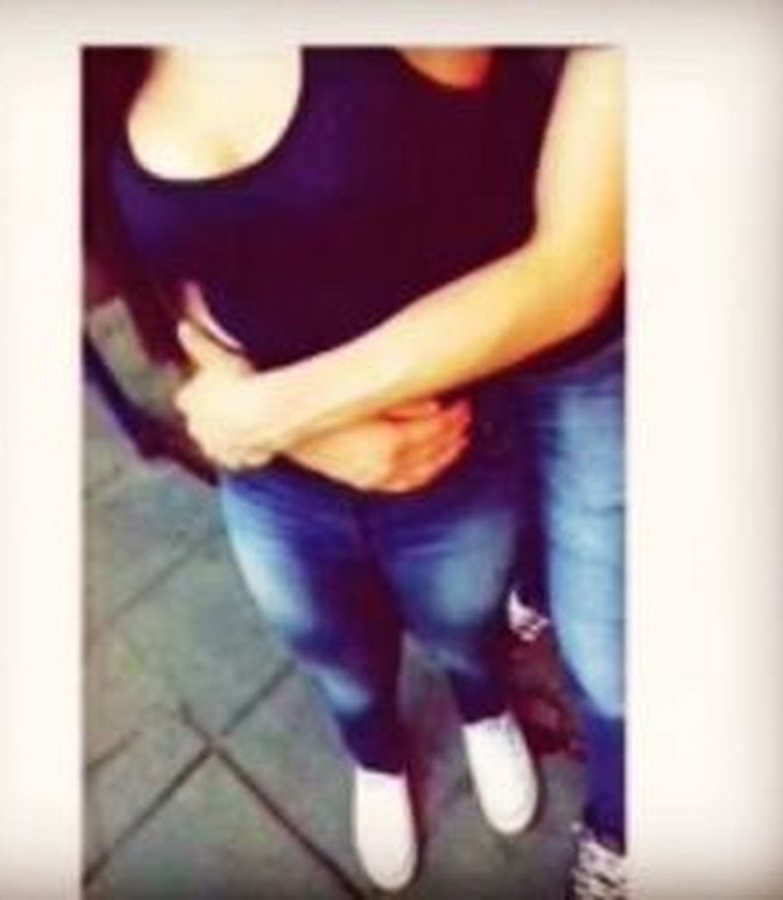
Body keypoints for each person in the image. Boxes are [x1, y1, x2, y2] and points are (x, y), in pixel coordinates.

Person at [109, 45, 623, 896]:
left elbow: (558, 264)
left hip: (440, 427)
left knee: (472, 626)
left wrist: (280, 411)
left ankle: (486, 711)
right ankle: (378, 760)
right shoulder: (92, 69)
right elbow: (153, 268)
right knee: (332, 651)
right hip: (275, 465)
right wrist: (271, 415)